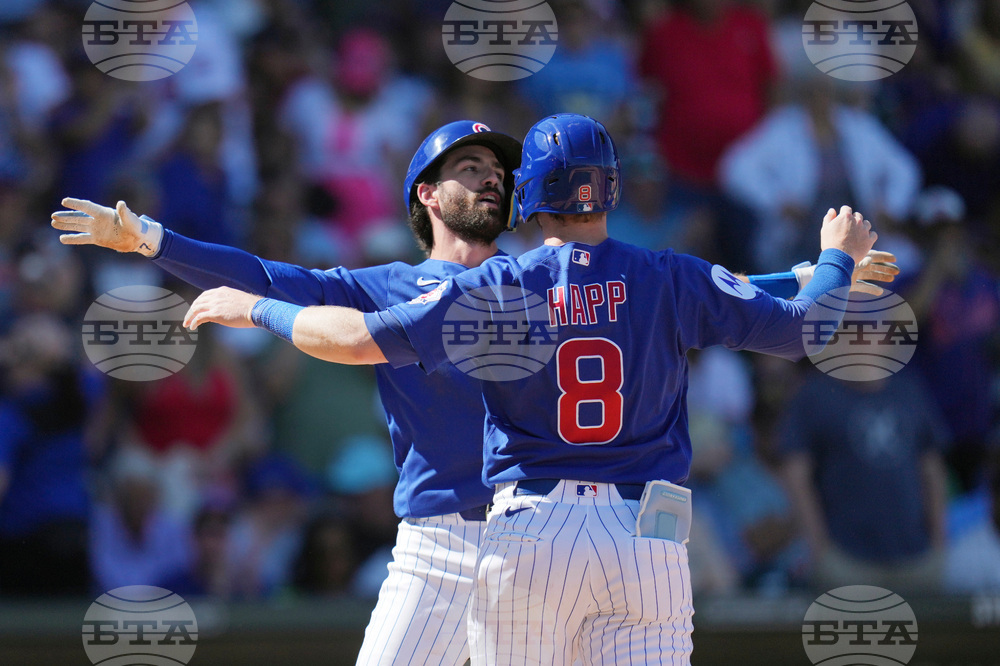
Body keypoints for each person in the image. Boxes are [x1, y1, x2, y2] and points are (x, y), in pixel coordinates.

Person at [179, 114, 878, 665]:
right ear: (611, 184)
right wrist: (832, 267)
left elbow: (357, 339)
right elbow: (800, 328)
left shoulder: (499, 284)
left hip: (533, 526)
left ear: (529, 195)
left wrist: (255, 309)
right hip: (646, 533)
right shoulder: (670, 274)